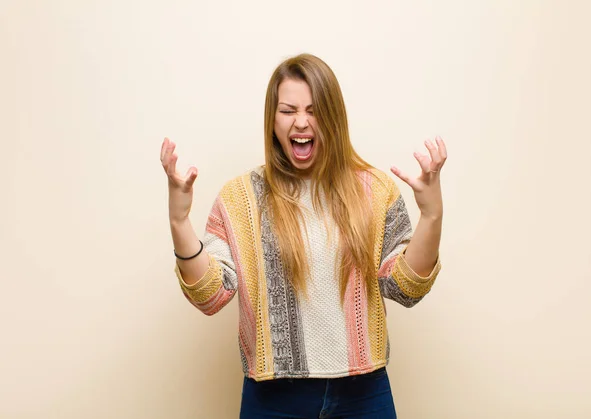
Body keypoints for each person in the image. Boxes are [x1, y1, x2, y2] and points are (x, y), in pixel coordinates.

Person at [160, 53, 446, 418]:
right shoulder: (240, 198)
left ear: (333, 116)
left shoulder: (375, 190)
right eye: (288, 110)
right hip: (272, 399)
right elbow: (211, 295)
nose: (301, 122)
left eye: (314, 110)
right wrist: (179, 221)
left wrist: (432, 215)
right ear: (272, 119)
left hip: (364, 394)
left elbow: (406, 288)